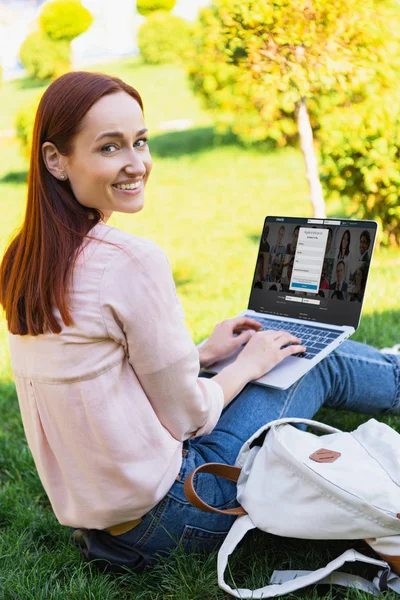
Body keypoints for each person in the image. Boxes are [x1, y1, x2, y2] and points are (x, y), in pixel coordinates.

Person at [1, 71, 400, 575]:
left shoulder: (25, 259)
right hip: (180, 512)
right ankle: (395, 374)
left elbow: (108, 380)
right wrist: (245, 367)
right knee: (303, 356)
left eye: (140, 142)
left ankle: (388, 366)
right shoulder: (128, 260)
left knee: (260, 351)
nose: (136, 163)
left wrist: (206, 355)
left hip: (104, 519)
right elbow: (188, 419)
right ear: (56, 160)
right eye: (109, 148)